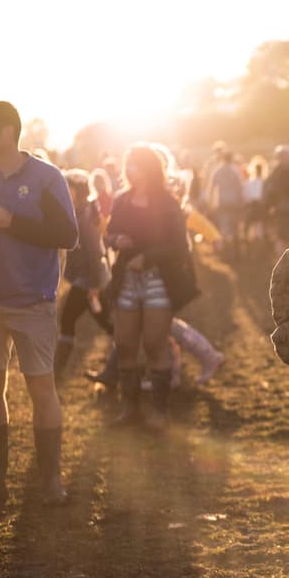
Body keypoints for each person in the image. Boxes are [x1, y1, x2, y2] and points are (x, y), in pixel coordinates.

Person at [0, 100, 78, 506]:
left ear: (8, 131)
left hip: (33, 301)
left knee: (41, 389)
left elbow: (68, 235)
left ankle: (50, 481)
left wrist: (11, 222)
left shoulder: (47, 177)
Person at [106, 144, 197, 429]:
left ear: (148, 169)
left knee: (155, 344)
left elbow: (179, 247)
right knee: (124, 344)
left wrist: (147, 257)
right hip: (126, 280)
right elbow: (109, 233)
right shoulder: (122, 200)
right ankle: (129, 409)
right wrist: (116, 240)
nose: (129, 169)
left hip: (158, 279)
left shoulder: (167, 203)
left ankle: (160, 412)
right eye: (128, 164)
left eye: (135, 164)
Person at [56, 170, 111, 379]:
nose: (63, 192)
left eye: (67, 188)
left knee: (68, 318)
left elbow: (96, 252)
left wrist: (95, 286)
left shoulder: (85, 216)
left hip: (90, 279)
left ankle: (56, 370)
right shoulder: (77, 211)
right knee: (106, 321)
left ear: (78, 190)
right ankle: (121, 359)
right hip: (86, 277)